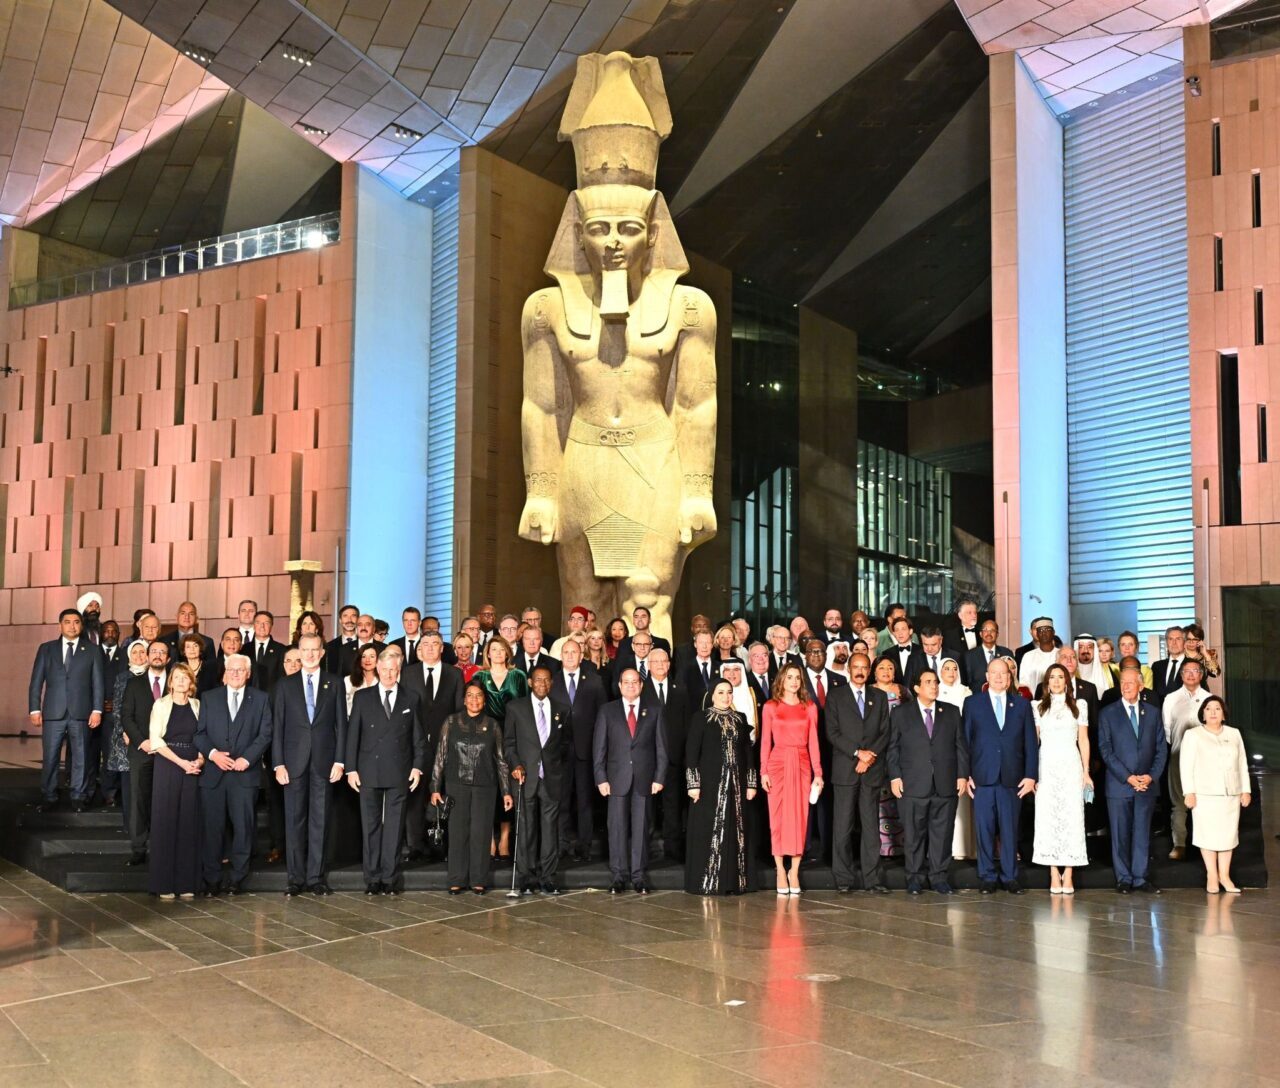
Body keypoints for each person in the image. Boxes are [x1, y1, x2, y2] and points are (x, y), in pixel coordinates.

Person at [344, 647, 426, 896]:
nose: (389, 674)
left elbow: (418, 738)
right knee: (370, 826)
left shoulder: (411, 697)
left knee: (393, 827)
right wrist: (351, 769)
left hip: (399, 771)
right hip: (368, 771)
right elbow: (352, 737)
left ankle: (389, 878)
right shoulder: (363, 697)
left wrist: (417, 767)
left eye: (394, 669)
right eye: (385, 669)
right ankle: (372, 878)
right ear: (377, 669)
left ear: (398, 671)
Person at [272, 634, 347, 896]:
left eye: (315, 650)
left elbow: (341, 725)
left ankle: (316, 878)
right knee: (294, 821)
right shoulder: (284, 685)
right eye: (306, 650)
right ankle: (295, 878)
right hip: (292, 763)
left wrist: (340, 760)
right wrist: (278, 764)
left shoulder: (334, 683)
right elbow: (278, 727)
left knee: (320, 821)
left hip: (325, 763)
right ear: (299, 652)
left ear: (322, 653)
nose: (311, 654)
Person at [195, 654, 273, 895]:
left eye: (241, 670)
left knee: (243, 828)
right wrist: (213, 754)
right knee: (212, 829)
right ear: (225, 672)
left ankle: (237, 878)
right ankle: (212, 879)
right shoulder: (209, 698)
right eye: (232, 669)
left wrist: (246, 759)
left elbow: (265, 734)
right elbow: (199, 734)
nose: (236, 674)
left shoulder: (261, 699)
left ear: (248, 673)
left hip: (244, 775)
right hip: (214, 775)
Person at [888, 669, 968, 894]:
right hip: (913, 784)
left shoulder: (951, 712)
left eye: (935, 682)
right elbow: (892, 747)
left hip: (945, 784)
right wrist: (895, 776)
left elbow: (960, 746)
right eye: (928, 682)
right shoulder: (901, 713)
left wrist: (962, 775)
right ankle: (914, 877)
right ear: (916, 688)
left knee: (942, 835)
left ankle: (939, 877)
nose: (934, 686)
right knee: (913, 834)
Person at [964, 657, 1038, 894]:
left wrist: (1031, 776)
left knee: (1010, 830)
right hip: (982, 778)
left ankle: (1009, 876)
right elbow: (964, 742)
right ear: (987, 677)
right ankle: (986, 876)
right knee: (984, 830)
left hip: (1012, 779)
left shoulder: (1022, 705)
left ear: (1009, 678)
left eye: (1003, 674)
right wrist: (965, 775)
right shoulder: (973, 703)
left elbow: (1030, 743)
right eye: (993, 673)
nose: (998, 677)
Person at [431, 681, 512, 894]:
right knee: (457, 833)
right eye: (470, 695)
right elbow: (441, 755)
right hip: (456, 784)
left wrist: (506, 792)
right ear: (464, 699)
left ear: (484, 700)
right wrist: (435, 787)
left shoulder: (493, 725)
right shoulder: (451, 722)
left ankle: (478, 878)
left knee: (481, 832)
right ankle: (457, 878)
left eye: (478, 696)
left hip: (485, 786)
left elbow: (501, 760)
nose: (474, 699)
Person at [594, 668, 667, 894]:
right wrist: (601, 778)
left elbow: (661, 748)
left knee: (641, 828)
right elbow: (599, 748)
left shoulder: (654, 710)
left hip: (645, 779)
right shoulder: (607, 711)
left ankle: (638, 876)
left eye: (635, 682)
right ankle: (618, 876)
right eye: (626, 682)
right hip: (615, 779)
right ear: (619, 685)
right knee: (616, 828)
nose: (631, 686)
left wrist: (659, 777)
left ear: (641, 685)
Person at [685, 678, 758, 895]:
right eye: (721, 692)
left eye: (729, 692)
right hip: (709, 785)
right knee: (710, 829)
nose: (726, 697)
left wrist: (751, 783)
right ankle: (709, 881)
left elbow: (747, 753)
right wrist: (693, 784)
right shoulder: (701, 718)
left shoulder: (740, 719)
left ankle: (733, 883)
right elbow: (691, 753)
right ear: (712, 695)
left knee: (735, 830)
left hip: (735, 786)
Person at [1098, 666, 1168, 894]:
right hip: (1119, 785)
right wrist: (1128, 777)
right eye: (1122, 683)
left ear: (1141, 686)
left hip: (1146, 784)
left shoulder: (1153, 712)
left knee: (1142, 833)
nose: (1126, 686)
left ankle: (1140, 877)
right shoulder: (1108, 713)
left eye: (1130, 682)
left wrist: (1151, 776)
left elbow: (1161, 749)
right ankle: (1124, 878)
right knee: (1120, 833)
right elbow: (1106, 750)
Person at [825, 651, 890, 893]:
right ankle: (843, 879)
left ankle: (872, 879)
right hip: (845, 769)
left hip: (871, 771)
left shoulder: (880, 696)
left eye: (864, 667)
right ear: (849, 669)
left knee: (871, 827)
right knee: (842, 826)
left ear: (869, 669)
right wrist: (857, 753)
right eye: (856, 667)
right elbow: (831, 732)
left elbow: (885, 732)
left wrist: (869, 756)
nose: (860, 671)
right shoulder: (836, 696)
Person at [29, 607, 104, 812]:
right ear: (60, 625)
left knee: (81, 756)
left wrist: (97, 709)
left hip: (81, 712)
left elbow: (98, 682)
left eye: (76, 622)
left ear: (81, 625)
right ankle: (49, 795)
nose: (72, 626)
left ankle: (78, 796)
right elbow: (36, 681)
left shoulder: (92, 650)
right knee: (50, 756)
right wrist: (35, 709)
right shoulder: (47, 648)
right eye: (68, 622)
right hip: (53, 713)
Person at [504, 665, 571, 894]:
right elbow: (509, 743)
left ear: (551, 683)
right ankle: (526, 877)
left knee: (550, 829)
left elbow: (565, 743)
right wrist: (516, 765)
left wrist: (553, 763)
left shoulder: (562, 709)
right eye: (538, 680)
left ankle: (548, 877)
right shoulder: (516, 708)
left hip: (551, 779)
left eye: (546, 680)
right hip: (525, 777)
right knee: (526, 829)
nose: (542, 684)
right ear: (531, 682)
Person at [400, 633, 464, 861]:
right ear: (419, 649)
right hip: (415, 746)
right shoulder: (408, 674)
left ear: (441, 648)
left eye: (434, 644)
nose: (429, 648)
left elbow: (458, 712)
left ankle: (443, 846)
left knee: (444, 795)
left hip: (446, 746)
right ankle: (416, 846)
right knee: (415, 796)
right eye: (425, 644)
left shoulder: (454, 674)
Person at [760, 663, 821, 894]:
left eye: (797, 677)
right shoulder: (770, 707)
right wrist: (763, 771)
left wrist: (819, 774)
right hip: (777, 763)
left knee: (799, 818)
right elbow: (766, 741)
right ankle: (779, 870)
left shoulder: (810, 707)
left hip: (802, 762)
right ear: (781, 681)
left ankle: (794, 871)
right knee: (777, 818)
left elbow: (814, 742)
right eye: (789, 677)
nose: (794, 682)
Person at [1181, 695, 1250, 894]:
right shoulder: (1193, 735)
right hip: (1204, 795)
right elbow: (1186, 766)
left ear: (1223, 713)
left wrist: (1245, 789)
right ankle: (1212, 875)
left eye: (1217, 709)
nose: (1213, 712)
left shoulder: (1234, 733)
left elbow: (1242, 763)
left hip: (1230, 793)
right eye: (1209, 708)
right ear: (1202, 713)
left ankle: (1225, 876)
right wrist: (1189, 792)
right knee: (1208, 836)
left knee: (1228, 836)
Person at [1031, 663, 1091, 894]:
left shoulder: (1079, 705)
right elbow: (1034, 742)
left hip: (1071, 765)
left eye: (1060, 677)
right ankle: (1053, 873)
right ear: (1046, 683)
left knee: (1072, 817)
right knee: (1047, 818)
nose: (1056, 681)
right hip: (1046, 766)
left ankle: (1069, 873)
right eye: (1052, 677)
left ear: (1067, 681)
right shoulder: (1037, 707)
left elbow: (1083, 740)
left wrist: (1086, 771)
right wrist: (1032, 773)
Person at [147, 663, 203, 900]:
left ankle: (186, 882)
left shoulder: (198, 705)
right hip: (169, 765)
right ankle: (164, 884)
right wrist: (182, 763)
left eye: (185, 677)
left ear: (191, 682)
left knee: (189, 823)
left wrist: (199, 761)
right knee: (166, 822)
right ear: (170, 682)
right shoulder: (160, 704)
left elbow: (204, 736)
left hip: (194, 766)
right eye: (177, 677)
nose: (181, 681)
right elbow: (156, 740)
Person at [552, 637, 608, 861]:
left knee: (585, 801)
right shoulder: (552, 681)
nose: (569, 656)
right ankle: (562, 843)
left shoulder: (594, 681)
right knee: (562, 800)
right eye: (566, 652)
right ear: (561, 656)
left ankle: (584, 846)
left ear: (581, 655)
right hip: (560, 752)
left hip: (587, 750)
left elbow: (603, 716)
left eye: (574, 652)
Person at [475, 636, 527, 860]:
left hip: (512, 734)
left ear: (508, 653)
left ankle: (505, 837)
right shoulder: (480, 676)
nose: (497, 653)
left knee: (507, 787)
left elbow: (526, 708)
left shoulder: (518, 676)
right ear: (487, 653)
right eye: (493, 649)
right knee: (488, 787)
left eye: (501, 649)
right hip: (485, 735)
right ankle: (489, 838)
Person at [120, 640, 169, 864]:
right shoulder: (134, 684)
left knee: (165, 801)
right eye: (154, 652)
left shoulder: (176, 682)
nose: (158, 656)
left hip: (170, 752)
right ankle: (138, 848)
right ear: (147, 656)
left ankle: (163, 847)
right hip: (142, 751)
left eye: (162, 652)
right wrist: (142, 741)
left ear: (168, 658)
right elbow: (126, 717)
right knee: (138, 801)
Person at [642, 647, 690, 863]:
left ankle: (672, 848)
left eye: (664, 661)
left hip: (673, 758)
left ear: (670, 664)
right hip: (648, 759)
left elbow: (686, 725)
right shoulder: (640, 690)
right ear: (648, 665)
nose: (660, 665)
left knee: (673, 805)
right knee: (647, 806)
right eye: (656, 661)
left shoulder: (680, 689)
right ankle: (647, 848)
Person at [1161, 658, 1209, 861]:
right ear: (1181, 675)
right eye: (1186, 671)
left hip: (1205, 760)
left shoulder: (1210, 698)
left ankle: (1205, 844)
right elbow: (1166, 729)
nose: (1191, 674)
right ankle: (1179, 844)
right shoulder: (1171, 698)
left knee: (1204, 802)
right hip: (1178, 756)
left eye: (1195, 670)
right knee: (1178, 803)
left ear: (1201, 674)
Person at [936, 657, 975, 861]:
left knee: (962, 802)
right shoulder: (935, 691)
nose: (951, 672)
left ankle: (964, 848)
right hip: (940, 751)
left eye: (954, 668)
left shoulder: (966, 692)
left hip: (961, 748)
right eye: (946, 668)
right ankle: (945, 849)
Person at [108, 640, 148, 832]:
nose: (139, 656)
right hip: (125, 738)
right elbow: (117, 708)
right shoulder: (122, 677)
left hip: (148, 738)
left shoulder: (153, 675)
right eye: (135, 653)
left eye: (142, 652)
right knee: (128, 783)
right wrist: (126, 731)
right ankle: (129, 825)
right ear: (129, 656)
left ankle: (144, 824)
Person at [871, 655, 907, 858]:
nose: (886, 671)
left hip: (899, 751)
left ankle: (900, 847)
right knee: (878, 801)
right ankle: (881, 848)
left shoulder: (903, 692)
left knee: (898, 797)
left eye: (890, 667)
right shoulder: (869, 692)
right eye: (881, 667)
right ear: (874, 671)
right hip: (876, 751)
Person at [965, 620, 1011, 692]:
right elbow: (966, 682)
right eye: (985, 630)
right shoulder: (969, 656)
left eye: (992, 630)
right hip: (978, 698)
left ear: (997, 634)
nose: (989, 633)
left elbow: (1011, 679)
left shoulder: (1006, 653)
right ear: (980, 634)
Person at [1017, 617, 1058, 694]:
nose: (1044, 633)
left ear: (1053, 632)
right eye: (1040, 630)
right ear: (1037, 634)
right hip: (1034, 702)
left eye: (1047, 629)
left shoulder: (1061, 654)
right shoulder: (1028, 656)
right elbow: (1024, 684)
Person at [1150, 625, 1187, 707]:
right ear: (1166, 642)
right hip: (1161, 715)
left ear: (1184, 642)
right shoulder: (1157, 666)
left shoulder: (1193, 665)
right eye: (1170, 639)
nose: (1174, 643)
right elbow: (1153, 693)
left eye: (1178, 639)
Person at [325, 604, 359, 676]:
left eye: (353, 616)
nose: (349, 620)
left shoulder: (364, 644)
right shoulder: (330, 646)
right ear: (340, 620)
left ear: (358, 620)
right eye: (345, 616)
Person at [345, 643, 379, 714]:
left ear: (378, 659)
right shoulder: (348, 680)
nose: (367, 660)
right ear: (359, 660)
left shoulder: (383, 680)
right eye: (363, 656)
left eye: (372, 656)